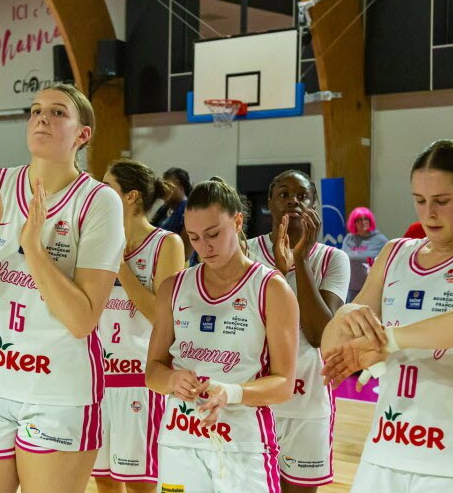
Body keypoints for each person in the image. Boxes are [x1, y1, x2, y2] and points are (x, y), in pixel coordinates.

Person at [319, 139, 453, 492]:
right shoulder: (394, 254)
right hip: (383, 452)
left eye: (442, 201)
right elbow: (332, 348)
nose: (428, 213)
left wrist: (389, 339)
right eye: (419, 200)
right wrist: (345, 316)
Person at [0, 84, 125, 492]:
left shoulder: (99, 202)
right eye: (36, 109)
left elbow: (82, 320)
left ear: (83, 134)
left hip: (58, 391)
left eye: (58, 112)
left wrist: (32, 248)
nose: (42, 117)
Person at [145, 177, 299, 493]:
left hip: (242, 445)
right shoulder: (173, 288)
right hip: (180, 442)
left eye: (213, 234)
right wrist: (172, 380)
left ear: (238, 221)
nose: (204, 247)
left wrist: (231, 391)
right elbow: (153, 371)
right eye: (194, 238)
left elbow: (284, 384)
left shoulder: (271, 289)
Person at [247, 170, 350, 492]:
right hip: (255, 400)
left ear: (315, 204)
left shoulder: (334, 259)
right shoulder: (246, 254)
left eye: (303, 195)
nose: (294, 200)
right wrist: (278, 272)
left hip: (308, 404)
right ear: (269, 204)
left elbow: (321, 334)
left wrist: (300, 260)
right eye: (283, 194)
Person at [91, 160, 186, 492]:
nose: (97, 192)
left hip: (140, 382)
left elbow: (163, 319)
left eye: (107, 186)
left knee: (141, 485)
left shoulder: (166, 244)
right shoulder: (94, 240)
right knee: (104, 481)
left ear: (131, 196)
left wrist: (120, 267)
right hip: (98, 379)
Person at [342, 207, 389, 303]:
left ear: (370, 221)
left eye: (366, 219)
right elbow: (343, 258)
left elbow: (389, 260)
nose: (363, 222)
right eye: (359, 220)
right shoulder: (349, 238)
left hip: (373, 288)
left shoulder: (380, 240)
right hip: (352, 288)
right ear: (354, 223)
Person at [151, 167, 194, 259]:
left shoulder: (189, 209)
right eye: (163, 186)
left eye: (168, 186)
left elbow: (185, 253)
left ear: (181, 187)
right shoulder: (163, 209)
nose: (164, 190)